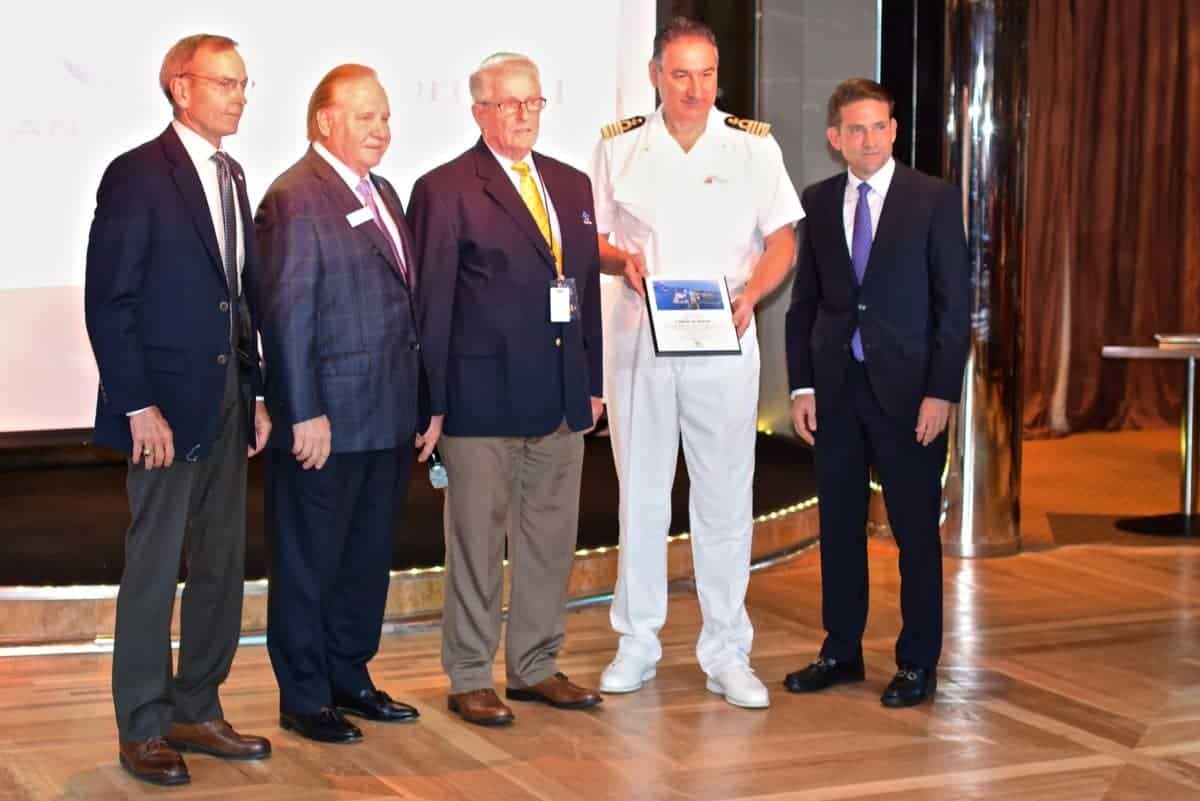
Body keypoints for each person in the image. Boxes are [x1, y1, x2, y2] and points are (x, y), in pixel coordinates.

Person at [588, 17, 803, 709]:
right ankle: (639, 640)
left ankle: (726, 649)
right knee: (642, 493)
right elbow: (591, 238)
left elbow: (782, 239)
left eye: (706, 74)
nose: (694, 88)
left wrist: (754, 293)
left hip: (724, 342)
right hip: (639, 344)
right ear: (656, 74)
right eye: (680, 74)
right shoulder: (619, 147)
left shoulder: (751, 148)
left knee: (724, 498)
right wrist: (622, 261)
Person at [84, 33, 272, 786]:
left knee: (221, 561)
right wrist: (137, 404)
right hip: (161, 407)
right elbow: (111, 300)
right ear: (180, 86)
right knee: (155, 566)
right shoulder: (137, 175)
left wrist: (256, 391)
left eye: (243, 83)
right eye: (224, 82)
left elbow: (241, 297)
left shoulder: (231, 175)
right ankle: (144, 724)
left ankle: (198, 705)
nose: (239, 96)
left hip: (229, 401)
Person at [408, 52, 604, 726]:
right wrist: (428, 400)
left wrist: (594, 381)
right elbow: (430, 304)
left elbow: (584, 297)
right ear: (479, 111)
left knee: (550, 539)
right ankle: (469, 672)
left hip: (560, 395)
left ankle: (536, 665)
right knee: (475, 540)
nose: (523, 115)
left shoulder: (572, 185)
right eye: (508, 103)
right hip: (477, 400)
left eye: (533, 102)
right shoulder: (446, 188)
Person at [782, 78, 970, 707]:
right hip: (835, 391)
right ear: (835, 139)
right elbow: (803, 304)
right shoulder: (818, 199)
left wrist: (941, 393)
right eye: (854, 129)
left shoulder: (934, 200)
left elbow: (953, 307)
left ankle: (917, 662)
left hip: (911, 394)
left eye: (879, 126)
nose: (869, 139)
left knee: (915, 533)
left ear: (893, 130)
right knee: (838, 528)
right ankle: (841, 651)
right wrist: (802, 385)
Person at [255, 64, 420, 743]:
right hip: (326, 420)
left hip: (387, 416)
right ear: (325, 121)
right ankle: (303, 694)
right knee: (308, 558)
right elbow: (285, 314)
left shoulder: (381, 190)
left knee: (364, 556)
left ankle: (350, 675)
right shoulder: (296, 196)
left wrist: (425, 404)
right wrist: (303, 410)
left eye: (384, 116)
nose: (381, 128)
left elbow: (404, 306)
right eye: (365, 116)